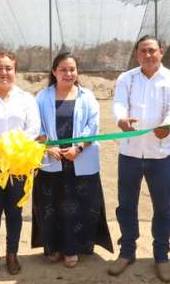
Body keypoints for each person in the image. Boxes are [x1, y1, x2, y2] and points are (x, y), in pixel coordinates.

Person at [108, 35, 170, 283]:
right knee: (126, 205)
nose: (148, 55)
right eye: (143, 51)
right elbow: (119, 104)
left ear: (161, 52)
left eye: (152, 50)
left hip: (160, 154)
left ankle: (161, 256)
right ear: (137, 54)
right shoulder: (126, 78)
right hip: (130, 153)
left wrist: (169, 126)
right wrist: (121, 119)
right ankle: (127, 251)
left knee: (162, 207)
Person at [32, 52, 113, 268]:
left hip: (80, 160)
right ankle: (53, 248)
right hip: (52, 160)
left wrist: (78, 148)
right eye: (63, 69)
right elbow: (35, 125)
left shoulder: (87, 97)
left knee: (77, 207)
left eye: (72, 69)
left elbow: (92, 127)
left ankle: (72, 249)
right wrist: (48, 146)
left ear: (77, 72)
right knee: (51, 206)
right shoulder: (41, 97)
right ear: (54, 72)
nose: (68, 74)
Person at [0, 51, 40, 277]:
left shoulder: (26, 99)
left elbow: (33, 130)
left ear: (15, 71)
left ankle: (12, 255)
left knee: (14, 211)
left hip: (18, 167)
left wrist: (13, 152)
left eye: (9, 68)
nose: (4, 73)